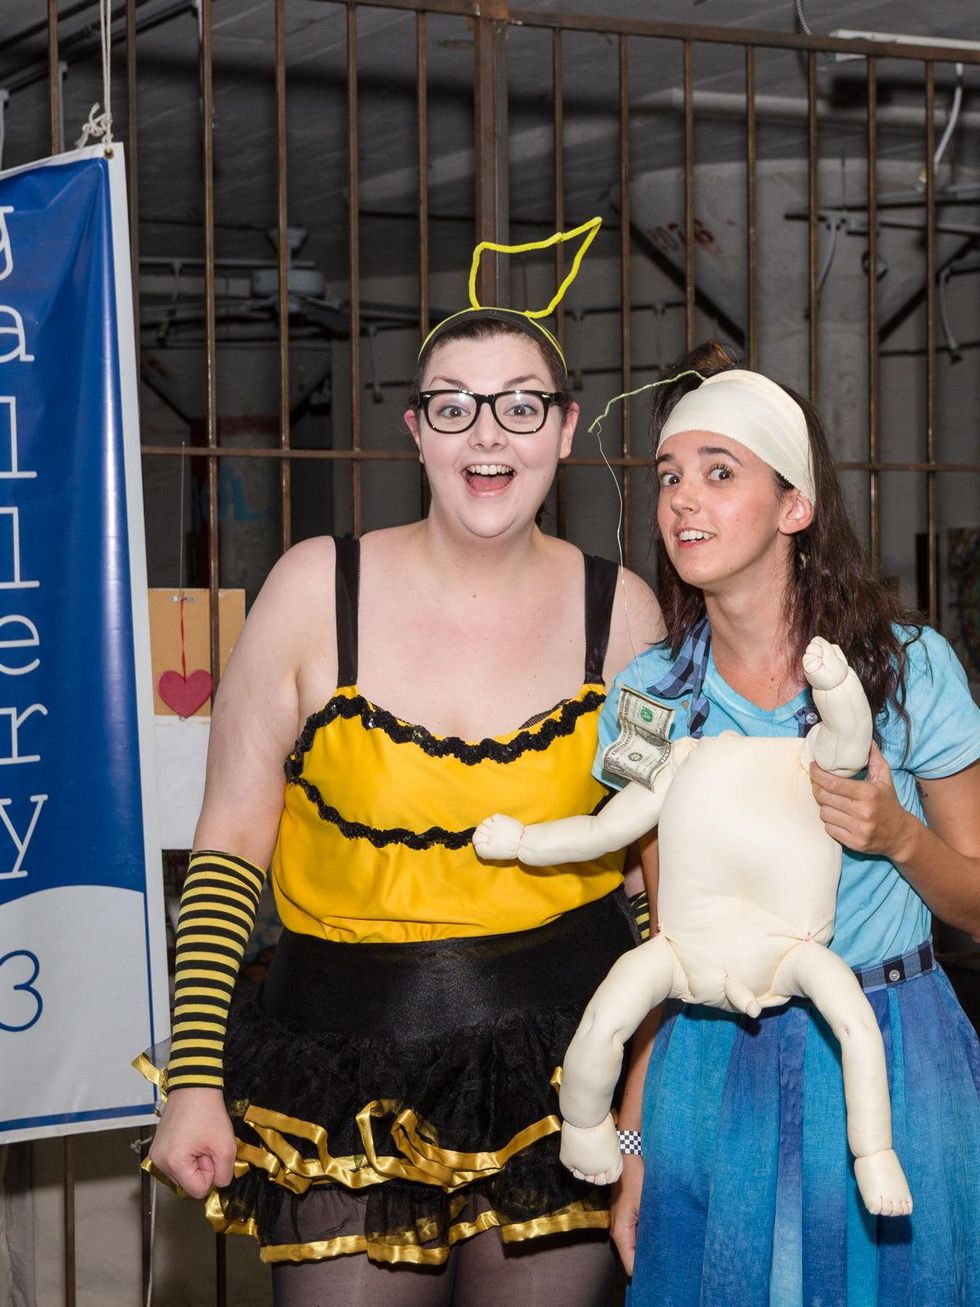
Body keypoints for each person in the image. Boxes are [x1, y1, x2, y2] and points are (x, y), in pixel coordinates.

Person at [141, 222, 665, 1306]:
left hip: (562, 1071)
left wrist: (646, 1106)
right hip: (339, 1059)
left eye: (521, 403)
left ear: (563, 430)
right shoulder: (307, 589)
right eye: (454, 403)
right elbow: (230, 845)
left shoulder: (624, 619)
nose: (489, 433)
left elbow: (655, 881)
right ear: (415, 430)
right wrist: (194, 1076)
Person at [587, 342, 980, 1306]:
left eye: (721, 474)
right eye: (670, 477)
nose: (684, 500)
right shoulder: (647, 695)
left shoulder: (911, 668)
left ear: (795, 505)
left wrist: (898, 836)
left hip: (891, 1046)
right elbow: (661, 934)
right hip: (709, 1059)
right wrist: (633, 1133)